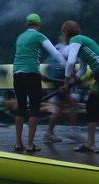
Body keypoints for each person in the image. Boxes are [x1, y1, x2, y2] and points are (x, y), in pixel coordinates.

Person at [60, 20, 99, 154]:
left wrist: (66, 83)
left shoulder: (76, 39)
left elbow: (70, 63)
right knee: (91, 106)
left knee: (97, 107)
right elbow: (83, 70)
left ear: (65, 32)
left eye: (63, 32)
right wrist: (73, 83)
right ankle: (90, 143)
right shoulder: (80, 42)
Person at [11, 13, 62, 153]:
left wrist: (40, 75)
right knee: (34, 108)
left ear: (27, 24)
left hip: (17, 74)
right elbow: (55, 53)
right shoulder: (39, 36)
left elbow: (24, 58)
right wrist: (67, 68)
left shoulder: (20, 37)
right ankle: (30, 145)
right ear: (39, 25)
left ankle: (18, 143)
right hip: (31, 75)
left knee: (21, 108)